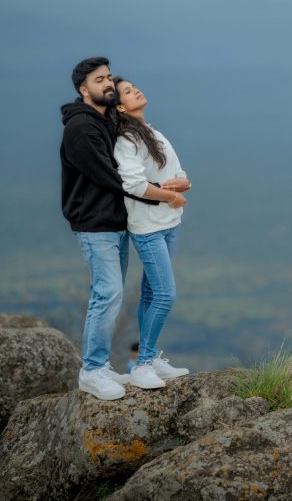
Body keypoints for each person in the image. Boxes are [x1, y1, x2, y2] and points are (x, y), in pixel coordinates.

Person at [60, 57, 167, 400]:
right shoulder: (81, 128)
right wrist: (158, 195)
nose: (107, 83)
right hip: (95, 225)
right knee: (107, 294)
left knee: (111, 293)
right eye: (99, 79)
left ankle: (101, 366)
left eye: (108, 77)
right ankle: (91, 370)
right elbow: (111, 176)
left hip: (114, 221)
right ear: (83, 89)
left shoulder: (105, 121)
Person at [112, 76, 192, 388]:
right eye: (128, 92)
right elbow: (132, 184)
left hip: (169, 224)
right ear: (119, 106)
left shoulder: (153, 133)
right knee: (164, 294)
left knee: (150, 292)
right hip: (147, 228)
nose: (136, 90)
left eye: (134, 87)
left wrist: (184, 183)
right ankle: (143, 363)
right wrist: (171, 195)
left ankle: (151, 359)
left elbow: (177, 170)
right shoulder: (125, 141)